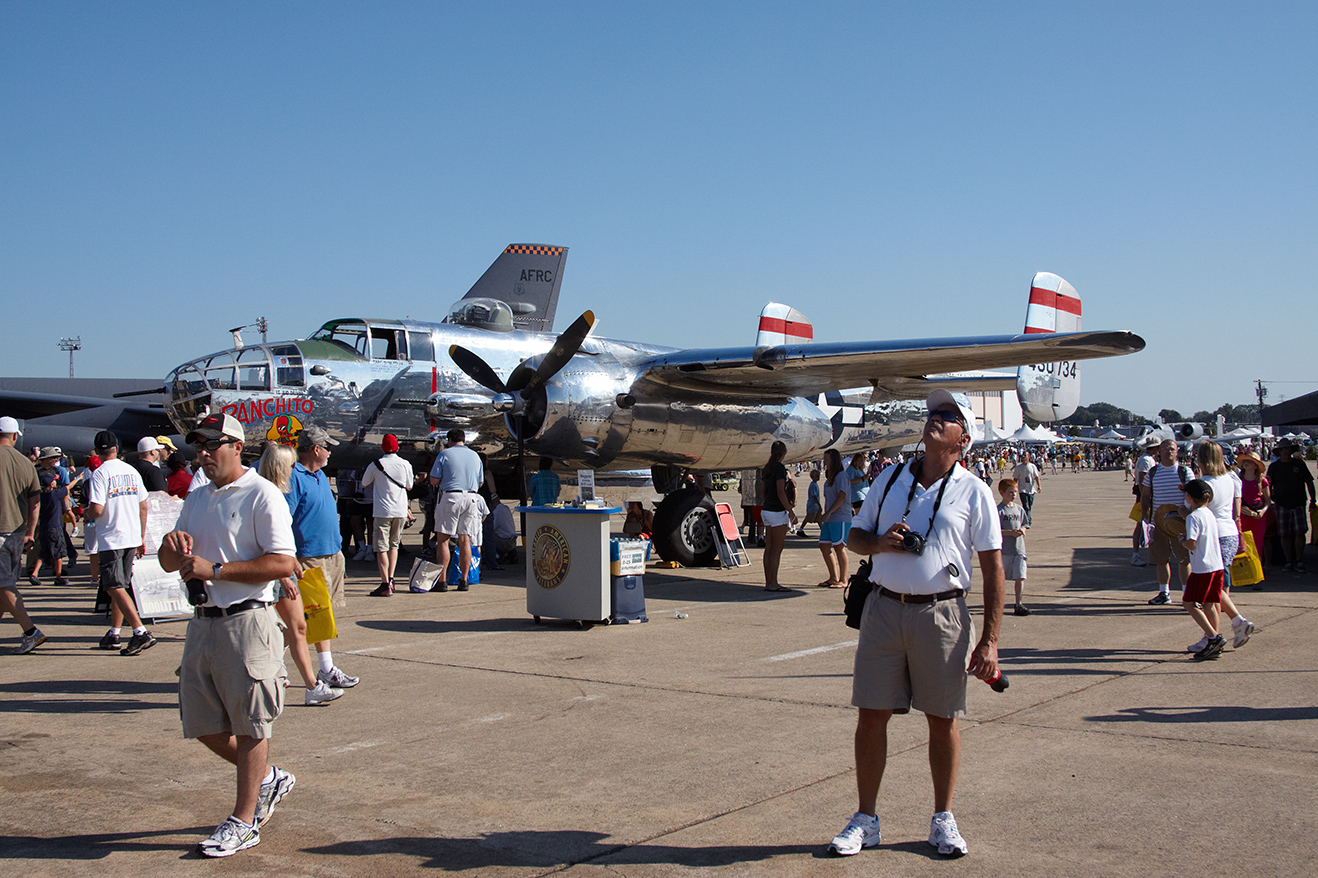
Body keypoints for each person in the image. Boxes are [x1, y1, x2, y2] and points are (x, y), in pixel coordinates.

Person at [829, 389, 1002, 860]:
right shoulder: (888, 479)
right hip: (883, 609)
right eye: (933, 412)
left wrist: (990, 641)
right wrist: (880, 543)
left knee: (943, 719)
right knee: (871, 714)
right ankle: (866, 819)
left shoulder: (973, 491)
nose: (935, 418)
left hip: (942, 613)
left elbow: (993, 569)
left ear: (963, 439)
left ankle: (943, 817)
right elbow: (856, 536)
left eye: (947, 415)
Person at [158, 413, 299, 857]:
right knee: (200, 722)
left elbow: (283, 562)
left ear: (237, 447)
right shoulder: (197, 497)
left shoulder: (262, 494)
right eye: (197, 446)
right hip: (203, 621)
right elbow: (168, 561)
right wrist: (170, 548)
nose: (202, 453)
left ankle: (244, 819)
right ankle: (268, 778)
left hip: (248, 621)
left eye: (210, 445)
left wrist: (215, 570)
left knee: (252, 723)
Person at [257, 443, 343, 707]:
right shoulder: (265, 495)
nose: (295, 469)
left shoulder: (280, 491)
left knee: (299, 627)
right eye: (291, 465)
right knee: (267, 628)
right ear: (279, 466)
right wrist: (283, 573)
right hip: (272, 572)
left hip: (286, 566)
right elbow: (264, 540)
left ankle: (313, 685)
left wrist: (289, 562)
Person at [285, 425, 360, 691]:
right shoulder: (294, 477)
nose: (330, 452)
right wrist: (290, 556)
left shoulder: (319, 475)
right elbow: (284, 519)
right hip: (309, 556)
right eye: (327, 447)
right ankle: (325, 669)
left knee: (318, 615)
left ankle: (319, 667)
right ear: (316, 449)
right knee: (313, 616)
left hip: (330, 553)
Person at [86, 430, 155, 655]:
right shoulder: (131, 471)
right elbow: (143, 505)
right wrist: (141, 536)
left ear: (97, 451)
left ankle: (140, 631)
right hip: (131, 535)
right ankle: (115, 632)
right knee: (121, 586)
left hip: (112, 536)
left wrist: (85, 512)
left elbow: (97, 509)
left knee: (113, 586)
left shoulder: (100, 473)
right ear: (116, 448)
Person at [1195, 441, 1254, 650]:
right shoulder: (1230, 479)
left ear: (1202, 460)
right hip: (1229, 533)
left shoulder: (1204, 483)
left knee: (1210, 590)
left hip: (1213, 536)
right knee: (1216, 588)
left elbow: (1195, 510)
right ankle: (1229, 626)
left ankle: (1217, 633)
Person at [0, 416, 46, 654]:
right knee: (4, 584)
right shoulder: (26, 463)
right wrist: (30, 532)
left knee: (3, 584)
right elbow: (35, 503)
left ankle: (30, 631)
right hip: (17, 531)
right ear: (14, 436)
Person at [428, 429, 485, 592]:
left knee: (443, 540)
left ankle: (442, 581)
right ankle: (464, 580)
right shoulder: (475, 456)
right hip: (471, 497)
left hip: (451, 496)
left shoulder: (444, 454)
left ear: (450, 440)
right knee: (465, 539)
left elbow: (433, 480)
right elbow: (480, 482)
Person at [360, 434, 414, 595]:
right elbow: (409, 486)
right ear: (397, 447)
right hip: (400, 509)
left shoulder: (376, 464)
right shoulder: (405, 464)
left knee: (381, 547)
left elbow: (364, 483)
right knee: (394, 545)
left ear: (382, 447)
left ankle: (384, 584)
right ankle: (391, 578)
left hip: (383, 510)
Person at [1179, 479, 1227, 660]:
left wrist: (1182, 541)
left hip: (1202, 568)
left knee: (1189, 603)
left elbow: (1192, 543)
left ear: (1189, 497)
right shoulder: (1209, 513)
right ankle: (1212, 639)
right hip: (1216, 565)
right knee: (1210, 604)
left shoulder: (1193, 517)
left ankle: (1213, 637)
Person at [1142, 438, 1191, 605]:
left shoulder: (1185, 472)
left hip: (1180, 524)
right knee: (1161, 559)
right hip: (1159, 523)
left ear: (1177, 452)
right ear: (1159, 452)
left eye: (1172, 449)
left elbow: (1192, 496)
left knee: (1184, 559)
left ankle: (1187, 595)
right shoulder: (1153, 473)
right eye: (1165, 449)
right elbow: (1146, 495)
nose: (1169, 452)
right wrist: (1144, 516)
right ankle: (1164, 593)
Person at [1266, 439, 1315, 573]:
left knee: (1300, 531)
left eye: (1289, 448)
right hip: (1281, 504)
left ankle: (1299, 560)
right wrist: (1270, 499)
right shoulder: (1274, 467)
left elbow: (1309, 482)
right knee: (1284, 533)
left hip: (1298, 503)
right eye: (1284, 449)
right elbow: (1267, 485)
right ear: (1279, 451)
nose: (1287, 451)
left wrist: (1313, 499)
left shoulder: (1299, 464)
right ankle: (1288, 561)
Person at [30, 446, 71, 587]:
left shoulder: (55, 471)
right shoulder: (36, 472)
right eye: (53, 458)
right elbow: (66, 488)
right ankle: (55, 575)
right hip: (46, 515)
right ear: (45, 459)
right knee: (52, 548)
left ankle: (39, 572)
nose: (55, 460)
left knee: (44, 549)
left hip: (48, 514)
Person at [760, 440, 796, 592]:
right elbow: (781, 492)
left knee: (769, 548)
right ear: (783, 453)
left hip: (766, 509)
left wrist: (766, 501)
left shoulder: (767, 467)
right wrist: (790, 511)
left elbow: (762, 490)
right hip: (776, 511)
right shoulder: (779, 468)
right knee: (777, 549)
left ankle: (769, 582)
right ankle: (773, 582)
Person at [816, 449, 850, 588]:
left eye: (826, 459)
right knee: (824, 545)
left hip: (840, 517)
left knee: (839, 547)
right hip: (829, 518)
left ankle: (843, 579)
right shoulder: (830, 477)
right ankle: (833, 577)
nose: (824, 462)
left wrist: (829, 512)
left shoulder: (841, 476)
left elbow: (842, 496)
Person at [1235, 450, 1271, 580]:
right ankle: (1245, 574)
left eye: (1250, 462)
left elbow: (1268, 501)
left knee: (1257, 545)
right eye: (1245, 461)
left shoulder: (1262, 481)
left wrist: (1262, 511)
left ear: (1256, 465)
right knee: (1242, 544)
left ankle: (1256, 574)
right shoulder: (1238, 480)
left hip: (1257, 517)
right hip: (1242, 517)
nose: (1246, 463)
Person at [998, 478, 1029, 616]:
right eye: (1010, 492)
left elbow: (1025, 524)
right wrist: (1009, 533)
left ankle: (1018, 603)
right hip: (1005, 550)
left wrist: (1022, 530)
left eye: (1015, 492)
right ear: (1002, 493)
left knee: (1020, 576)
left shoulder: (1019, 509)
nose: (1013, 495)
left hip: (1019, 549)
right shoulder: (999, 510)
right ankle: (998, 603)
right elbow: (994, 531)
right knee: (1001, 579)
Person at [1130, 437, 1159, 566]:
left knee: (1149, 525)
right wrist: (1145, 498)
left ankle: (1152, 554)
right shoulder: (1146, 460)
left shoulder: (1149, 459)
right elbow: (1143, 480)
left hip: (1148, 495)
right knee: (1141, 524)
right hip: (1145, 496)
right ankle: (1136, 554)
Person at [1011, 451, 1041, 527]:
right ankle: (1027, 521)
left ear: (1029, 457)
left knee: (1029, 506)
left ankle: (1027, 518)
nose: (1023, 457)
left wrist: (1039, 486)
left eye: (1025, 455)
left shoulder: (1032, 466)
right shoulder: (1018, 468)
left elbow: (1036, 477)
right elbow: (1015, 479)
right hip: (1022, 489)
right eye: (1023, 455)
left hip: (1031, 490)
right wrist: (1013, 487)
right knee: (1025, 506)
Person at [799, 468, 822, 538]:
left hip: (815, 505)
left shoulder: (814, 484)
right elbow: (814, 496)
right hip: (813, 505)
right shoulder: (813, 485)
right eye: (817, 476)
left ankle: (823, 531)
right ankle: (800, 529)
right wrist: (819, 505)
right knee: (809, 517)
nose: (818, 477)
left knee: (819, 519)